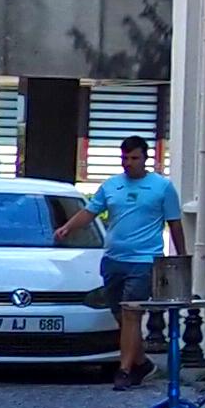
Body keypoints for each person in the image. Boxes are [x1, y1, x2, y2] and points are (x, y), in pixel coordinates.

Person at [86, 132, 184, 382]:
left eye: (134, 157)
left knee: (132, 311)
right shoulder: (111, 186)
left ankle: (125, 370)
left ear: (145, 158)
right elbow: (90, 211)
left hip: (144, 259)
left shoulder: (162, 187)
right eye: (125, 157)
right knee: (120, 314)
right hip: (113, 259)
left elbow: (175, 224)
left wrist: (180, 258)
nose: (128, 162)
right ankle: (140, 362)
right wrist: (67, 229)